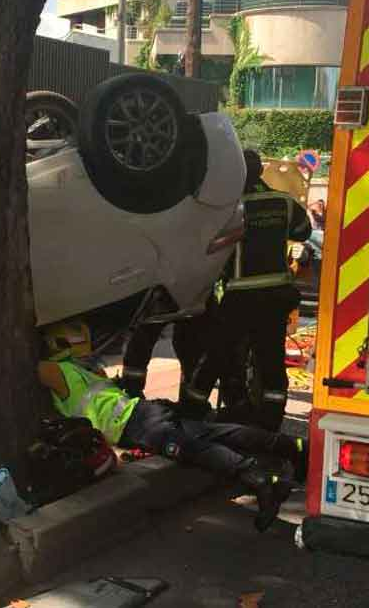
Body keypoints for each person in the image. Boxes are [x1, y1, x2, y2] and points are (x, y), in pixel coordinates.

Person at [38, 328, 303, 532]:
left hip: (137, 423)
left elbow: (36, 368)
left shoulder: (59, 371)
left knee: (195, 450)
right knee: (213, 434)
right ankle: (290, 446)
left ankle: (259, 480)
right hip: (145, 413)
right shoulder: (86, 370)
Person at [188, 149, 312, 430]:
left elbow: (208, 246)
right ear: (261, 171)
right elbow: (303, 231)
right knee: (271, 361)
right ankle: (269, 423)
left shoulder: (229, 208)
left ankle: (192, 411)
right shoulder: (284, 203)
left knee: (218, 355)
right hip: (275, 297)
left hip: (239, 298)